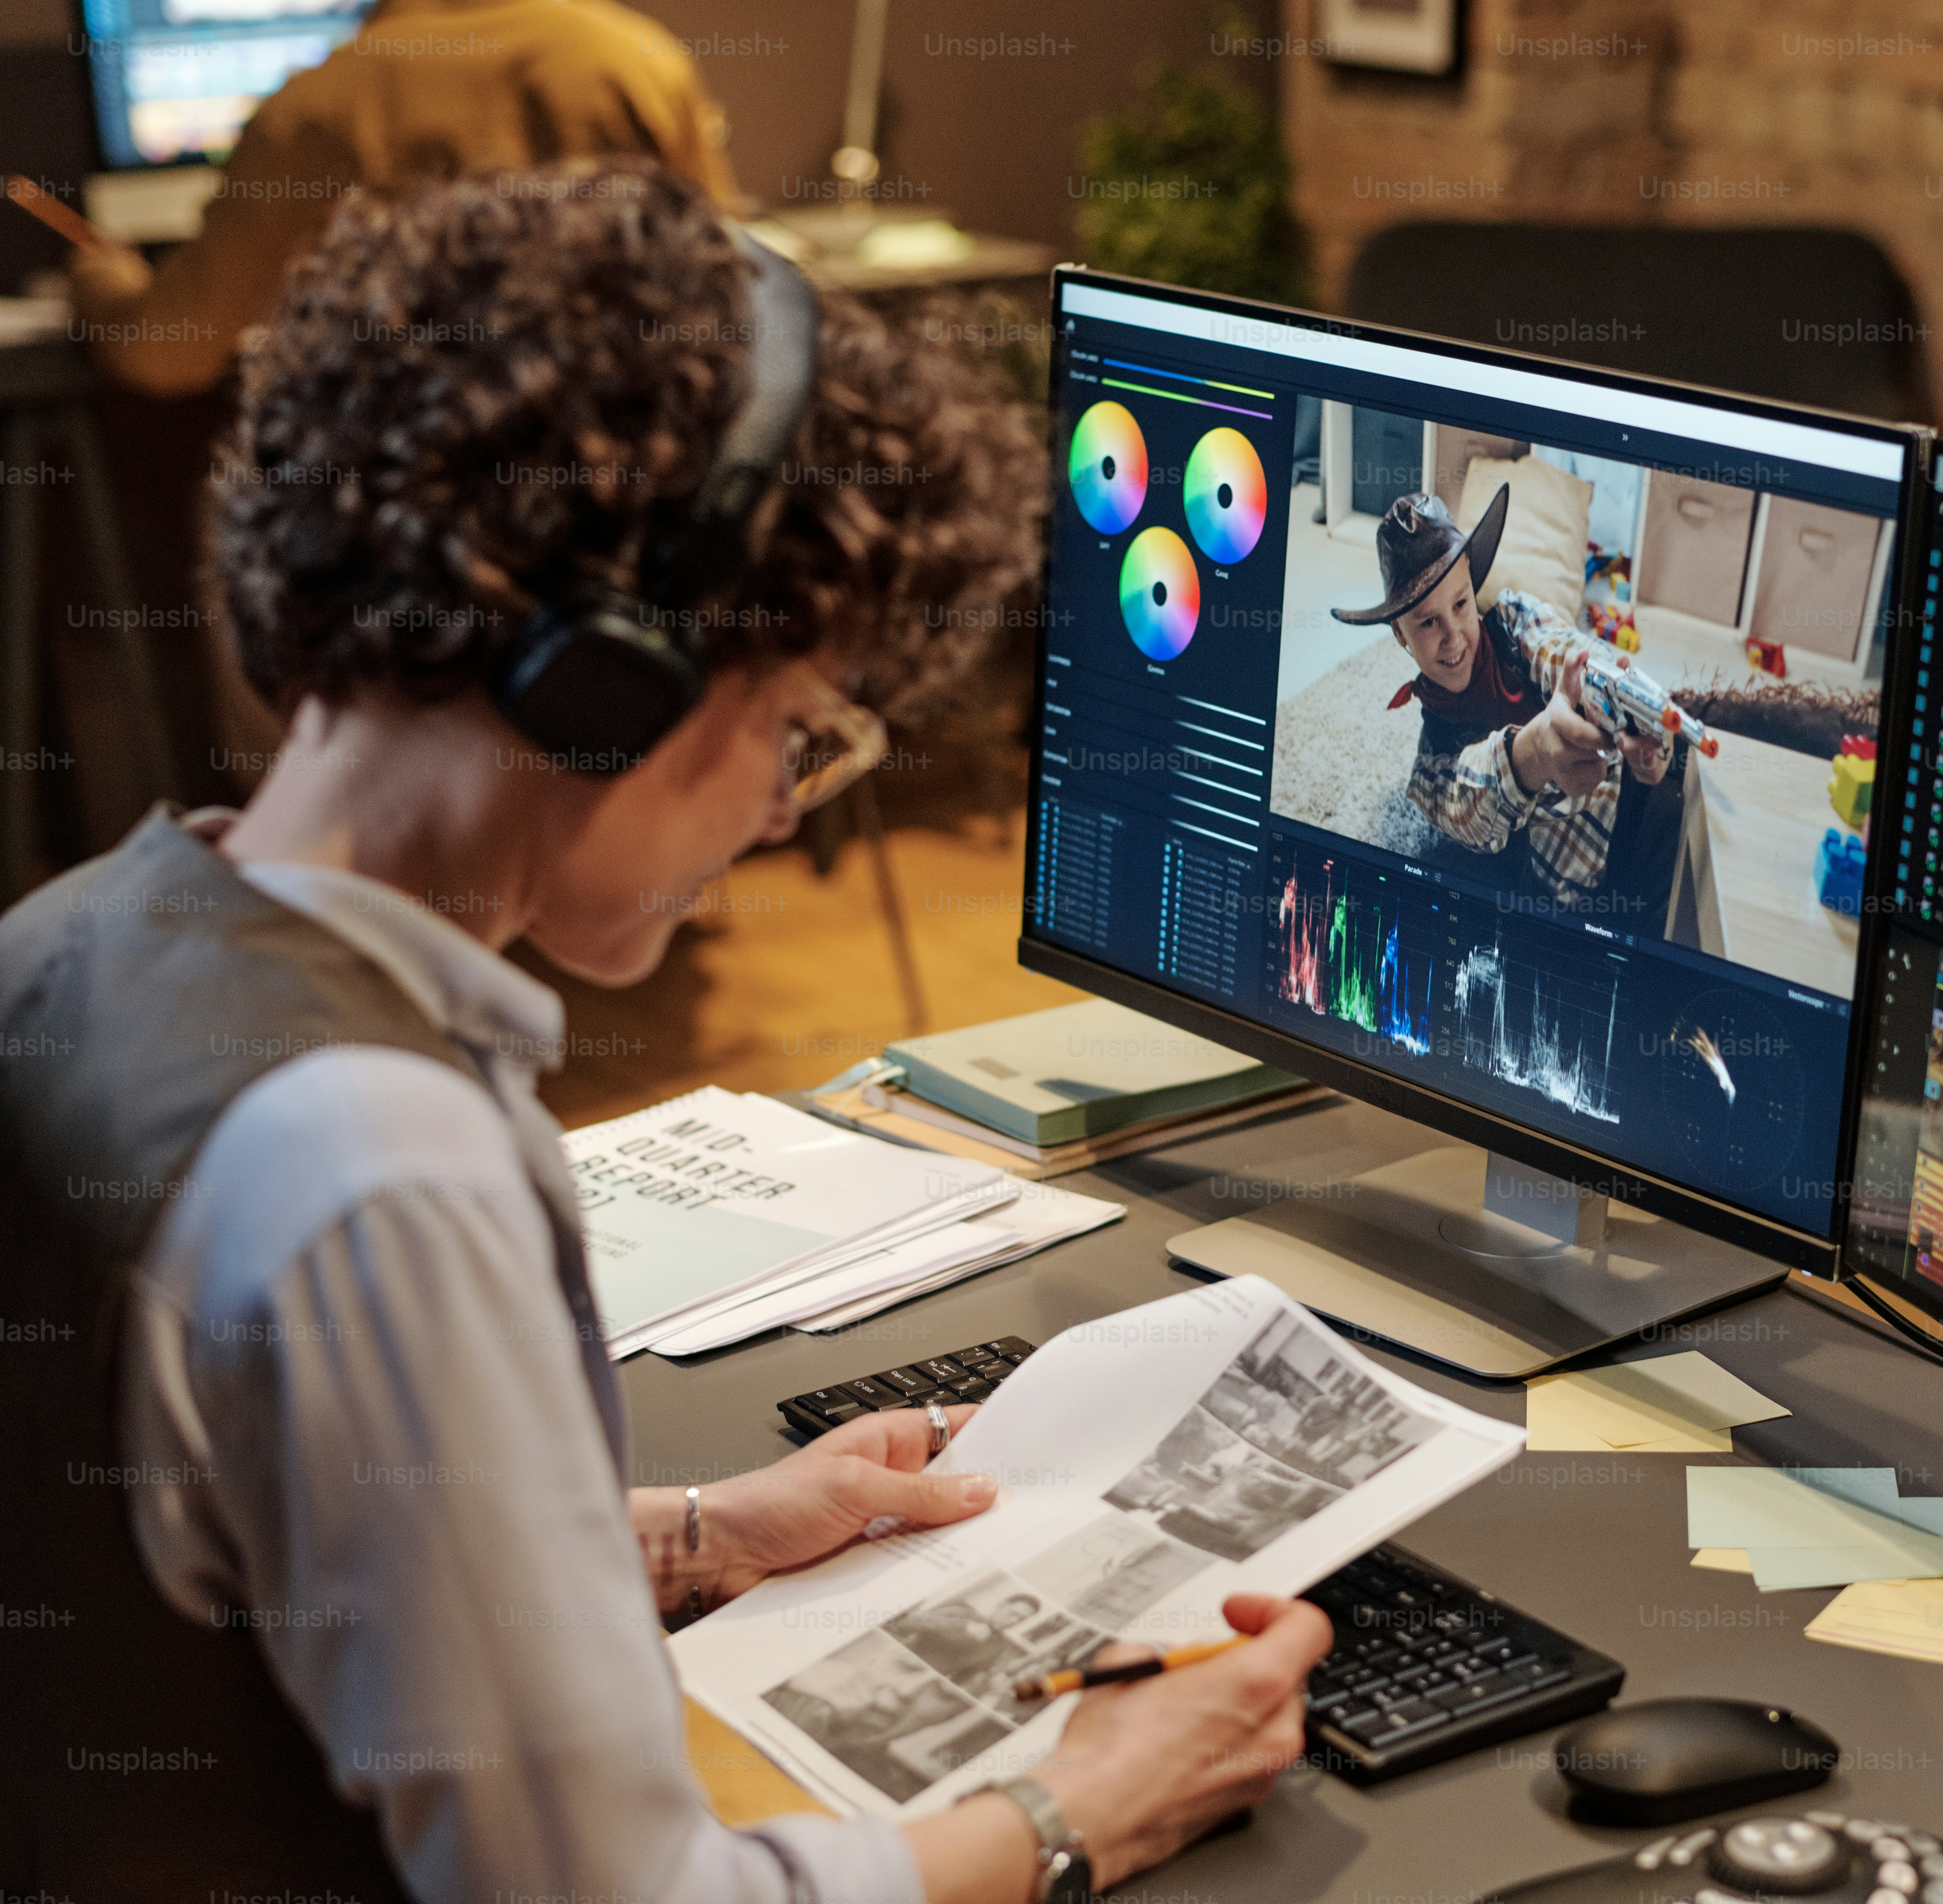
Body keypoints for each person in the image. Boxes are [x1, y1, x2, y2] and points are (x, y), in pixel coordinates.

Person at [0, 163, 1329, 1903]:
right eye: (796, 727)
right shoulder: (381, 1172)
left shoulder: (83, 930)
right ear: (609, 677)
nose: (784, 811)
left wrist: (704, 1530)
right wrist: (1089, 1805)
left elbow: (292, 1523)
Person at [66, 0, 740, 398]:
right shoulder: (634, 60)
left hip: (421, 535)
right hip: (639, 488)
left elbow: (172, 349)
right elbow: (737, 281)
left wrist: (102, 278)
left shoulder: (313, 111)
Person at [1334, 488, 1688, 923]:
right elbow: (1470, 804)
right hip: (1594, 894)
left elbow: (1561, 648)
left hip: (1642, 796)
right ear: (1401, 635)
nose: (1454, 636)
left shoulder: (1515, 620)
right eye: (1428, 622)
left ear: (1473, 586)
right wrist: (1535, 752)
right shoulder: (1432, 769)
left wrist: (1625, 711)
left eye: (1461, 604)